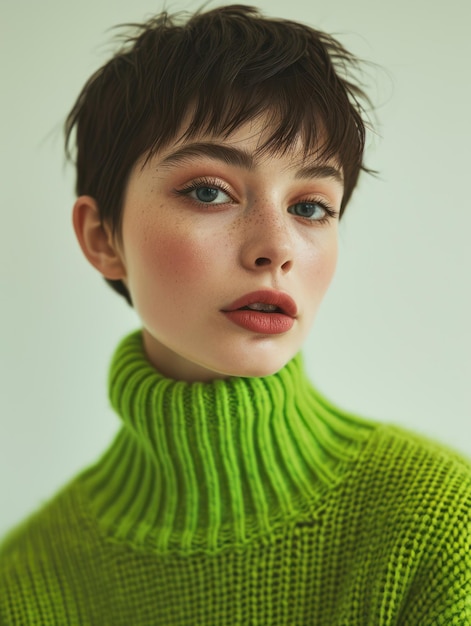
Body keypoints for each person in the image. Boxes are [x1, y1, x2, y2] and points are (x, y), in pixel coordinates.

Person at [0, 4, 470, 624]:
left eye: (310, 207)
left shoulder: (439, 522)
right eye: (208, 192)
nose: (276, 247)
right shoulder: (24, 580)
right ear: (102, 237)